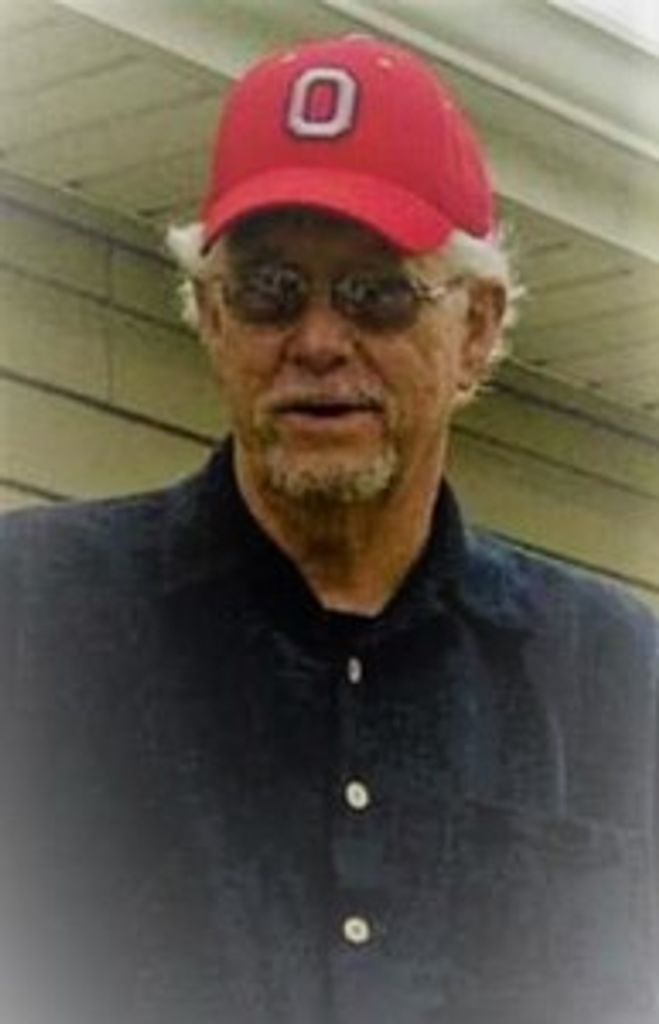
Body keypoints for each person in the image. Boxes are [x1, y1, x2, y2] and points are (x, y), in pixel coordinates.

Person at [0, 33, 657, 1024]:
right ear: (212, 316)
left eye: (375, 293)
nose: (315, 341)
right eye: (269, 290)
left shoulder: (618, 681)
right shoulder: (29, 619)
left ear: (475, 329)